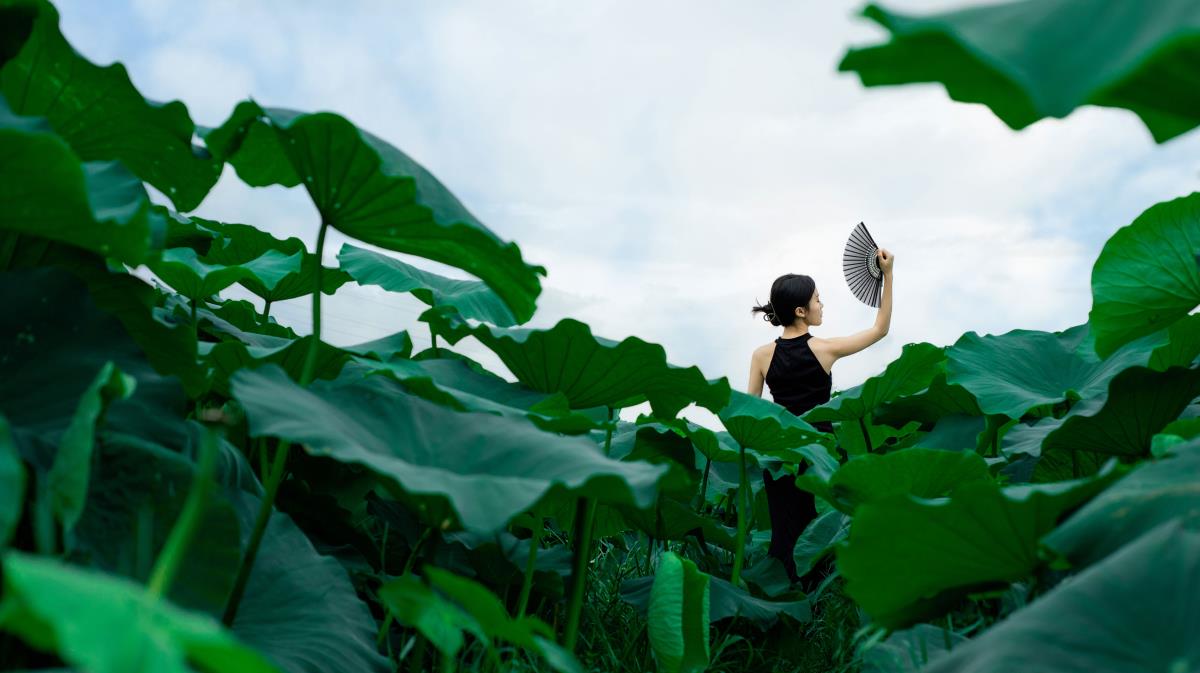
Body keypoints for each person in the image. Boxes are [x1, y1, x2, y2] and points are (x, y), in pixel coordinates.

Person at [746, 249, 894, 585]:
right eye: (817, 300)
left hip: (778, 456)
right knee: (818, 533)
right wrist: (888, 275)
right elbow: (880, 329)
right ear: (801, 311)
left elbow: (748, 415)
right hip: (818, 454)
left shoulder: (760, 355)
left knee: (784, 535)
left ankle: (782, 600)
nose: (821, 305)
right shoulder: (825, 349)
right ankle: (818, 602)